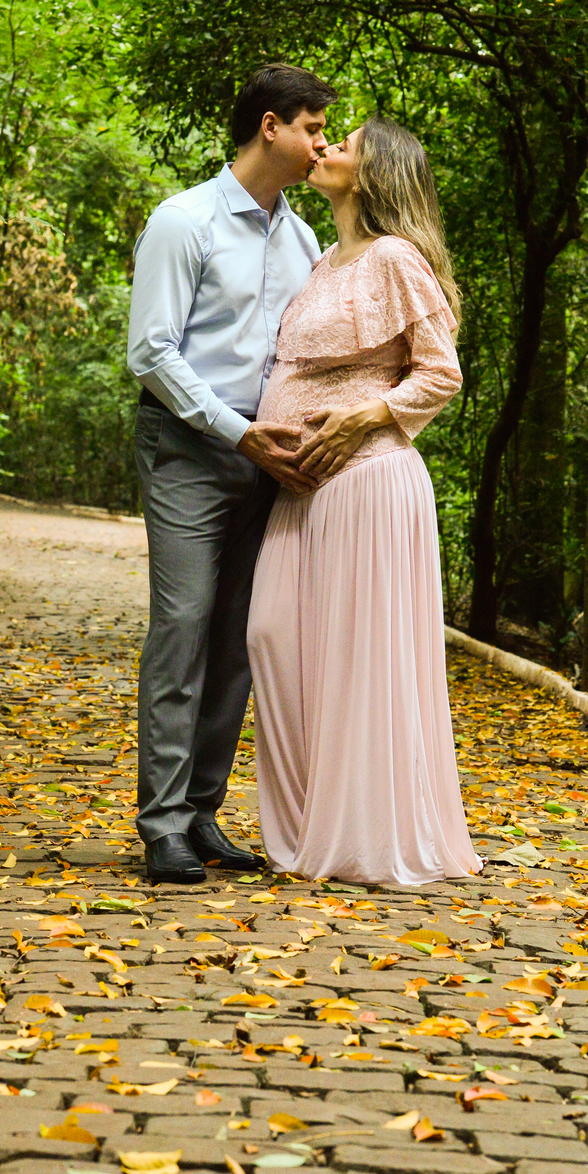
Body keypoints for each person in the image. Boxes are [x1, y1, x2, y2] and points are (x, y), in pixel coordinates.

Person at [247, 116, 481, 885]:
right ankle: (305, 830)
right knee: (272, 637)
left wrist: (368, 415)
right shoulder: (323, 260)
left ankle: (361, 839)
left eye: (342, 144)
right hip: (301, 488)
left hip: (368, 480)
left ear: (374, 173)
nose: (325, 149)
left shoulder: (396, 258)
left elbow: (440, 372)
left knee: (356, 660)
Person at [126, 63, 337, 884]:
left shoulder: (303, 240)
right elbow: (152, 352)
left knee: (242, 635)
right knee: (183, 625)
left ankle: (201, 813)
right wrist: (234, 432)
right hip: (189, 447)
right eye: (313, 128)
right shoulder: (184, 221)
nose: (322, 145)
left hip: (272, 458)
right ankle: (162, 825)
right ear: (270, 127)